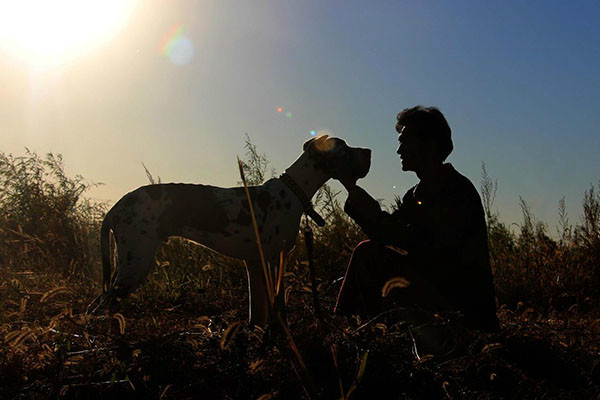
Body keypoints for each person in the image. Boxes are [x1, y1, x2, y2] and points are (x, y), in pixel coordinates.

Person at [335, 106, 500, 331]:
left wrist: (375, 216)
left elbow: (426, 247)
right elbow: (389, 234)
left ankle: (346, 328)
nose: (399, 150)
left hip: (464, 309)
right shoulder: (415, 195)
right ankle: (355, 329)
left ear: (429, 144)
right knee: (369, 252)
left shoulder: (457, 191)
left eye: (405, 141)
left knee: (369, 254)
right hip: (438, 293)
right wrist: (353, 192)